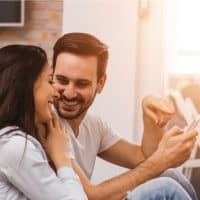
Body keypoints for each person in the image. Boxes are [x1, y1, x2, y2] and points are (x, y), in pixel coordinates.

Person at [50, 32, 197, 200]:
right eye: (62, 80)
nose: (69, 93)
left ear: (101, 83)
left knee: (170, 175)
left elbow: (143, 158)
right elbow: (89, 196)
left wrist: (152, 120)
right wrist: (161, 161)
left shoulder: (94, 125)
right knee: (166, 187)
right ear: (51, 74)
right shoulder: (47, 125)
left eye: (81, 84)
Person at [0, 45, 87, 200]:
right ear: (26, 85)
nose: (55, 93)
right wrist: (62, 158)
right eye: (49, 81)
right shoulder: (16, 147)